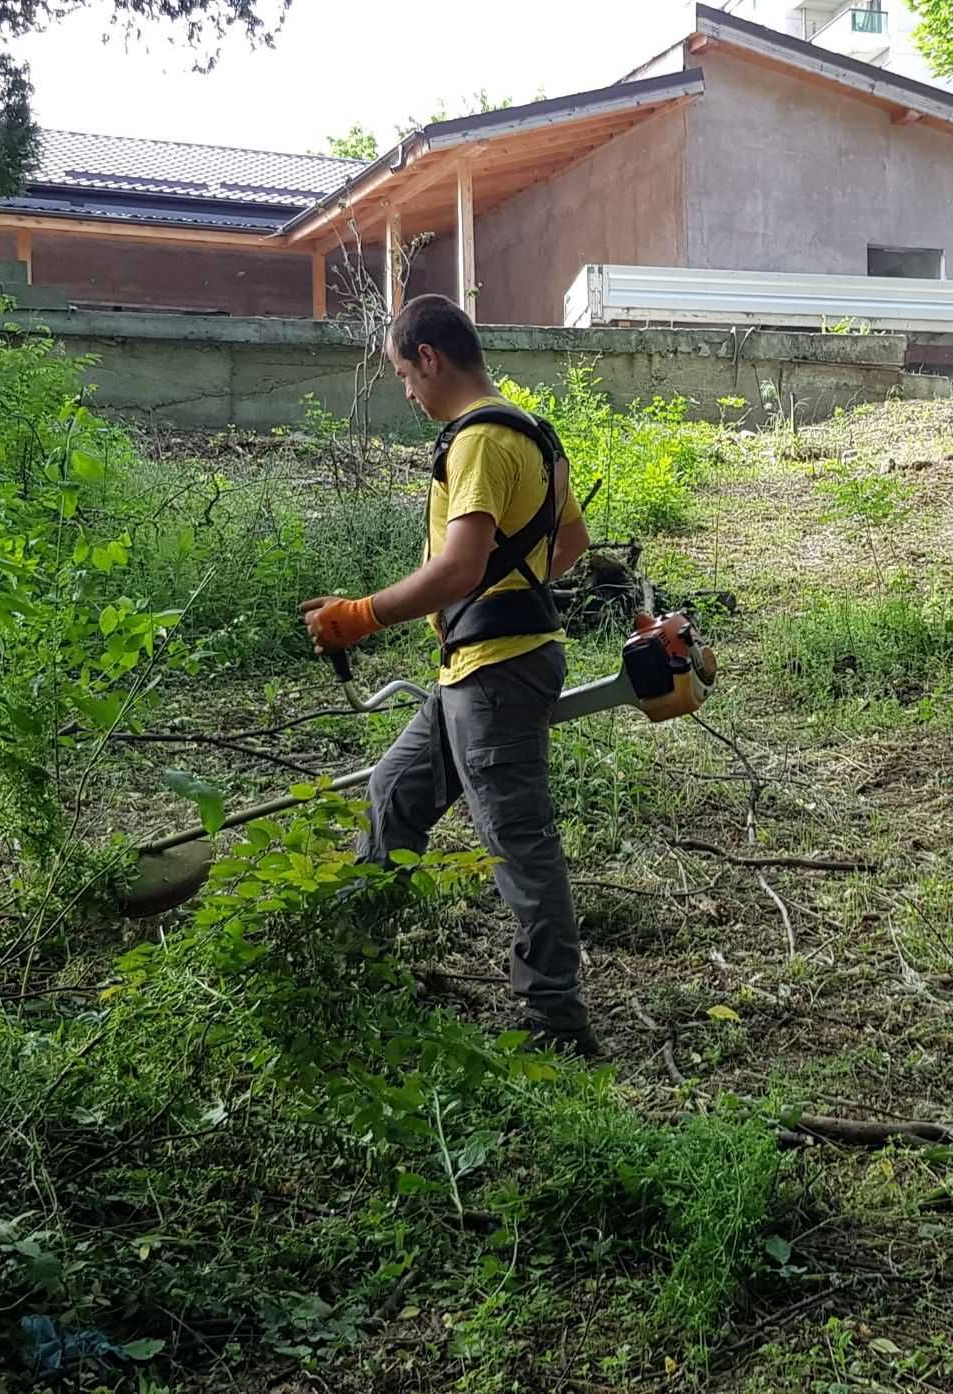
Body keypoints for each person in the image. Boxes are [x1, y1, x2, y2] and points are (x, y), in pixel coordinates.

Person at [298, 294, 600, 1058]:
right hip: (482, 667)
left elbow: (458, 565)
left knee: (517, 842)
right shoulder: (534, 432)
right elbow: (570, 542)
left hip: (495, 674)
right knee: (395, 790)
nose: (406, 390)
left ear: (430, 357)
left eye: (404, 372)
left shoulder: (475, 442)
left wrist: (361, 615)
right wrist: (506, 596)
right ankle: (361, 965)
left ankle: (556, 1023)